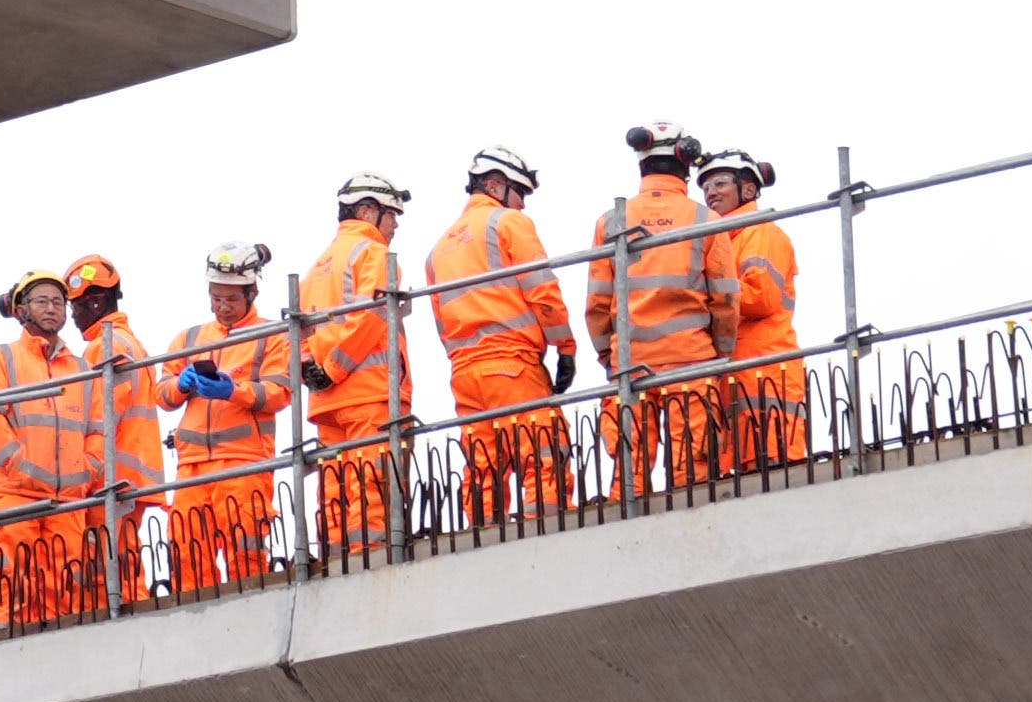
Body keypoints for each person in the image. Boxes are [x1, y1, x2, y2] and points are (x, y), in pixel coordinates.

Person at [422, 148, 578, 529]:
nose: (523, 203)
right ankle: (548, 525)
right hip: (511, 362)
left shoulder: (438, 249)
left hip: (464, 373)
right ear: (495, 185)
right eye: (519, 191)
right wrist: (566, 348)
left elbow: (442, 320)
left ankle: (484, 532)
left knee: (483, 461)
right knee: (541, 448)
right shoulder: (508, 222)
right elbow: (543, 291)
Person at [587, 123, 744, 493]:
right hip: (691, 359)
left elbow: (596, 302)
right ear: (684, 163)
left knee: (630, 467)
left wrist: (607, 355)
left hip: (631, 362)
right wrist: (721, 353)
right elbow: (725, 297)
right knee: (693, 473)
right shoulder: (705, 219)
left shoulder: (611, 222)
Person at [0, 270, 113, 629]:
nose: (52, 308)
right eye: (42, 301)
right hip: (17, 498)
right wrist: (21, 469)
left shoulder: (81, 369)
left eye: (58, 302)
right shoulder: (2, 358)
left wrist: (89, 470)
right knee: (16, 595)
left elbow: (98, 430)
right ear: (22, 310)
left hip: (68, 503)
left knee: (64, 597)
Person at [294, 171, 418, 563]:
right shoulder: (374, 255)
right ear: (368, 211)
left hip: (327, 402)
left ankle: (335, 556)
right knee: (371, 480)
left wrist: (311, 370)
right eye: (391, 214)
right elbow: (372, 316)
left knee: (335, 486)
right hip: (367, 393)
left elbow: (297, 334)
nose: (395, 224)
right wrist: (332, 368)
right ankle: (376, 555)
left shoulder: (317, 268)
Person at [162, 241, 289, 595]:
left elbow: (280, 393)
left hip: (243, 463)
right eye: (216, 298)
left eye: (231, 299)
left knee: (245, 555)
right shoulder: (189, 338)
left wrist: (234, 391)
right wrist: (181, 385)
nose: (222, 306)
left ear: (252, 293)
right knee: (187, 556)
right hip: (192, 468)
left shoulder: (270, 336)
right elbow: (162, 393)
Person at [693, 141, 807, 473]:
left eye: (720, 183)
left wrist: (704, 293)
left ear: (747, 188)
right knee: (742, 478)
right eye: (706, 186)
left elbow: (761, 297)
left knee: (775, 474)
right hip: (737, 368)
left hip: (764, 368)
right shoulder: (722, 240)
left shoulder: (762, 232)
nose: (711, 192)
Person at [65, 250, 164, 603]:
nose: (71, 315)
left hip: (108, 476)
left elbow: (102, 415)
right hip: (128, 474)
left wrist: (84, 473)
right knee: (121, 558)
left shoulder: (103, 346)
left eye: (74, 305)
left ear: (95, 301)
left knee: (105, 565)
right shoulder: (128, 341)